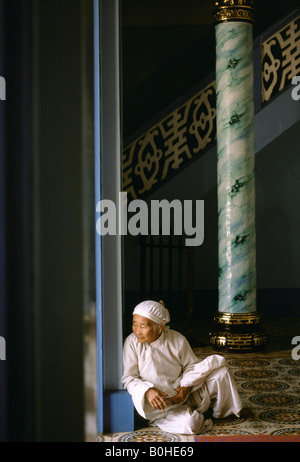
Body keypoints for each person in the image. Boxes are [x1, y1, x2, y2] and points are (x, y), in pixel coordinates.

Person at [121, 300, 242, 435]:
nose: (137, 331)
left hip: (186, 393)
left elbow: (191, 366)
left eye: (143, 326)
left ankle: (220, 414)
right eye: (134, 324)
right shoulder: (131, 343)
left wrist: (186, 387)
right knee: (191, 424)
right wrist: (148, 391)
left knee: (222, 373)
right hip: (163, 406)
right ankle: (193, 414)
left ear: (159, 327)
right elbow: (129, 378)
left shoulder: (177, 339)